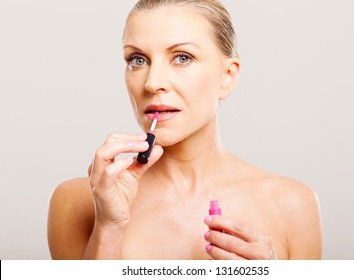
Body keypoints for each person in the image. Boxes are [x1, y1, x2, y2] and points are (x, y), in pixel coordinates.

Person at [48, 0, 322, 260]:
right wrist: (109, 228)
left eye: (182, 58)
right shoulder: (77, 203)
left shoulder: (294, 205)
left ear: (228, 76)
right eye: (138, 60)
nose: (152, 83)